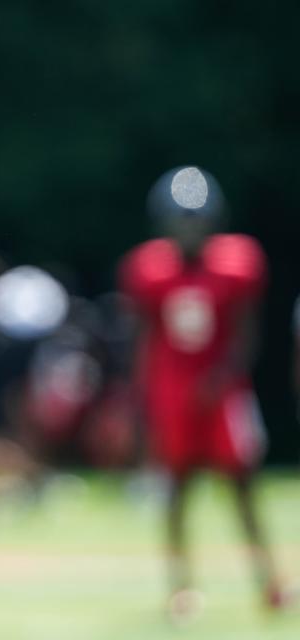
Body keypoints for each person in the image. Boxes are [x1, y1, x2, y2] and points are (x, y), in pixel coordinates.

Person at [119, 166, 283, 619]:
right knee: (177, 489)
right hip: (173, 390)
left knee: (243, 487)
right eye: (180, 220)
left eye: (196, 219)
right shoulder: (148, 268)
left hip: (222, 392)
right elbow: (143, 339)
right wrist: (142, 398)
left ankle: (270, 581)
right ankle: (181, 587)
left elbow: (247, 332)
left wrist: (225, 375)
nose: (188, 229)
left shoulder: (238, 261)